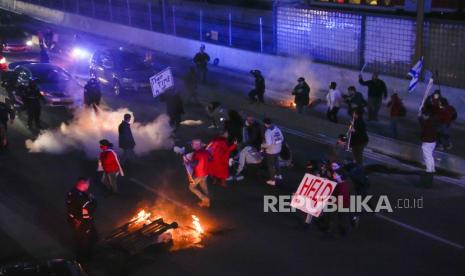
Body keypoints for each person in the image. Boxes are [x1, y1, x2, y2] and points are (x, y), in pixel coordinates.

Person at [66, 177, 98, 262]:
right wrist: (93, 200)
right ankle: (82, 260)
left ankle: (85, 255)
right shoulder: (79, 197)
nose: (88, 185)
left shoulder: (75, 192)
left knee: (91, 237)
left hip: (80, 221)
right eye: (87, 183)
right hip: (82, 223)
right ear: (82, 184)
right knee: (83, 241)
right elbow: (91, 208)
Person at [184, 139, 210, 207]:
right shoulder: (205, 152)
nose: (191, 146)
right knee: (203, 187)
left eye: (192, 144)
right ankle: (207, 202)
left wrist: (187, 162)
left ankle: (205, 199)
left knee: (192, 187)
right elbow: (211, 159)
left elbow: (195, 164)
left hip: (199, 174)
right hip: (205, 173)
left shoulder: (196, 154)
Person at [418, 107, 438, 187]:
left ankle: (429, 170)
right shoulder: (432, 120)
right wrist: (420, 117)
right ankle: (432, 169)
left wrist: (419, 117)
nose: (423, 116)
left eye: (424, 115)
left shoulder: (428, 122)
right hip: (432, 141)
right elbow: (423, 123)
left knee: (427, 157)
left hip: (427, 142)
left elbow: (423, 124)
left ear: (426, 115)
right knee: (430, 156)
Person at [261, 118, 284, 186]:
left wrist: (262, 145)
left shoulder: (268, 131)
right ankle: (278, 175)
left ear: (265, 124)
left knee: (271, 165)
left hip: (271, 151)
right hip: (278, 149)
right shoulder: (277, 128)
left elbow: (268, 143)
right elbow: (282, 138)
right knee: (276, 162)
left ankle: (272, 180)